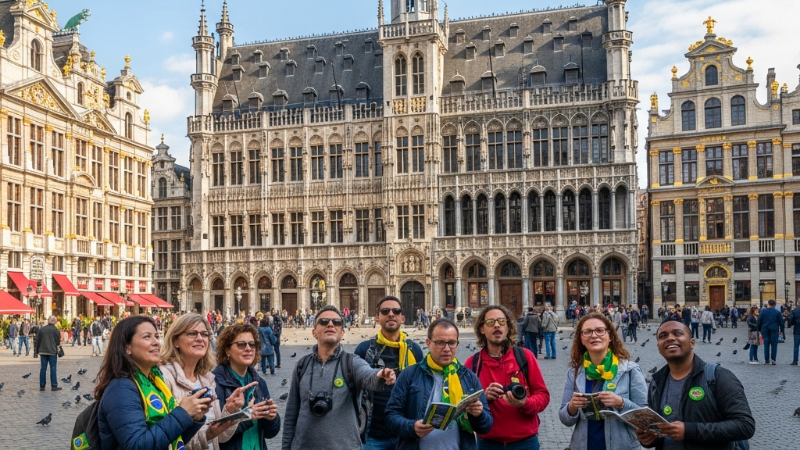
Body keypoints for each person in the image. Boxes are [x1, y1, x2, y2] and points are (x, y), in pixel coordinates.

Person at [283, 305, 396, 450]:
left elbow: (368, 375)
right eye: (324, 321)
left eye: (336, 322)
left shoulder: (352, 362)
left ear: (342, 333)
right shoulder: (302, 365)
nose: (330, 324)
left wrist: (380, 375)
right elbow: (291, 414)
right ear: (314, 332)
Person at [636, 319, 755, 450]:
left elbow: (745, 426)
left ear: (692, 343)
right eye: (663, 336)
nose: (670, 338)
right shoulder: (656, 383)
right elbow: (660, 430)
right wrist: (649, 439)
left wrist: (690, 431)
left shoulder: (719, 377)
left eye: (677, 333)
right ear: (659, 346)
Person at [97, 316, 210, 450]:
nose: (156, 342)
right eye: (147, 337)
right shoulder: (121, 389)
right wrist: (183, 413)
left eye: (156, 336)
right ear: (127, 347)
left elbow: (169, 439)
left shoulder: (155, 382)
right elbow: (138, 445)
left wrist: (193, 419)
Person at [385, 318, 492, 450]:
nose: (447, 349)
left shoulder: (469, 377)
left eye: (452, 343)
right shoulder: (409, 374)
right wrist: (412, 427)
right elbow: (391, 416)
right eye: (440, 343)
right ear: (428, 343)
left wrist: (478, 414)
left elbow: (486, 426)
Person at [465, 305, 549, 449]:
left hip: (525, 443)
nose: (497, 325)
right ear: (482, 329)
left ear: (508, 327)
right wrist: (484, 398)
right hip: (488, 444)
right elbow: (463, 405)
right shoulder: (472, 364)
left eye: (501, 321)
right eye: (490, 322)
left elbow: (543, 396)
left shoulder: (525, 357)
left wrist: (524, 403)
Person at [559, 312, 647, 450]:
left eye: (600, 330)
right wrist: (572, 407)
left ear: (610, 336)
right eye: (587, 332)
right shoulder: (575, 373)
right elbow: (565, 419)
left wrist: (621, 403)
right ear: (581, 339)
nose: (594, 335)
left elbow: (645, 419)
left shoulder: (630, 370)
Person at [160, 313, 245, 450]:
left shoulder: (207, 379)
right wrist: (208, 433)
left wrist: (229, 412)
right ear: (176, 341)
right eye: (192, 333)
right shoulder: (164, 377)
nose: (200, 338)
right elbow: (167, 439)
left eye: (204, 334)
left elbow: (220, 438)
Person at [355, 295, 425, 450]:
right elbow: (355, 385)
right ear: (377, 318)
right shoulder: (364, 350)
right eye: (385, 311)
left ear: (402, 318)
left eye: (396, 311)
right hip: (373, 435)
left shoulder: (414, 350)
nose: (391, 314)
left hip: (405, 432)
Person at [213, 323, 281, 450]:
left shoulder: (259, 382)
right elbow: (215, 432)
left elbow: (269, 433)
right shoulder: (216, 382)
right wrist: (247, 415)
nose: (248, 348)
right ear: (227, 350)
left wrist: (272, 418)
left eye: (252, 344)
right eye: (241, 344)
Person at [34, 316, 61, 391]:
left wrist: (37, 351)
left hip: (43, 351)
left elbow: (38, 340)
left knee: (43, 368)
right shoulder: (56, 330)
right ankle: (54, 385)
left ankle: (42, 386)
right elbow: (58, 342)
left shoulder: (42, 329)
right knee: (53, 368)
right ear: (55, 322)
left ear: (48, 321)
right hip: (52, 352)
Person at [757, 299, 784, 365]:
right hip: (774, 329)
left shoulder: (763, 311)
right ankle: (773, 360)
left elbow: (759, 320)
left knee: (766, 345)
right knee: (774, 345)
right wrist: (782, 331)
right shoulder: (777, 312)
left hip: (765, 329)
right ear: (774, 305)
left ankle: (766, 360)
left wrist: (759, 329)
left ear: (768, 304)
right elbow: (781, 322)